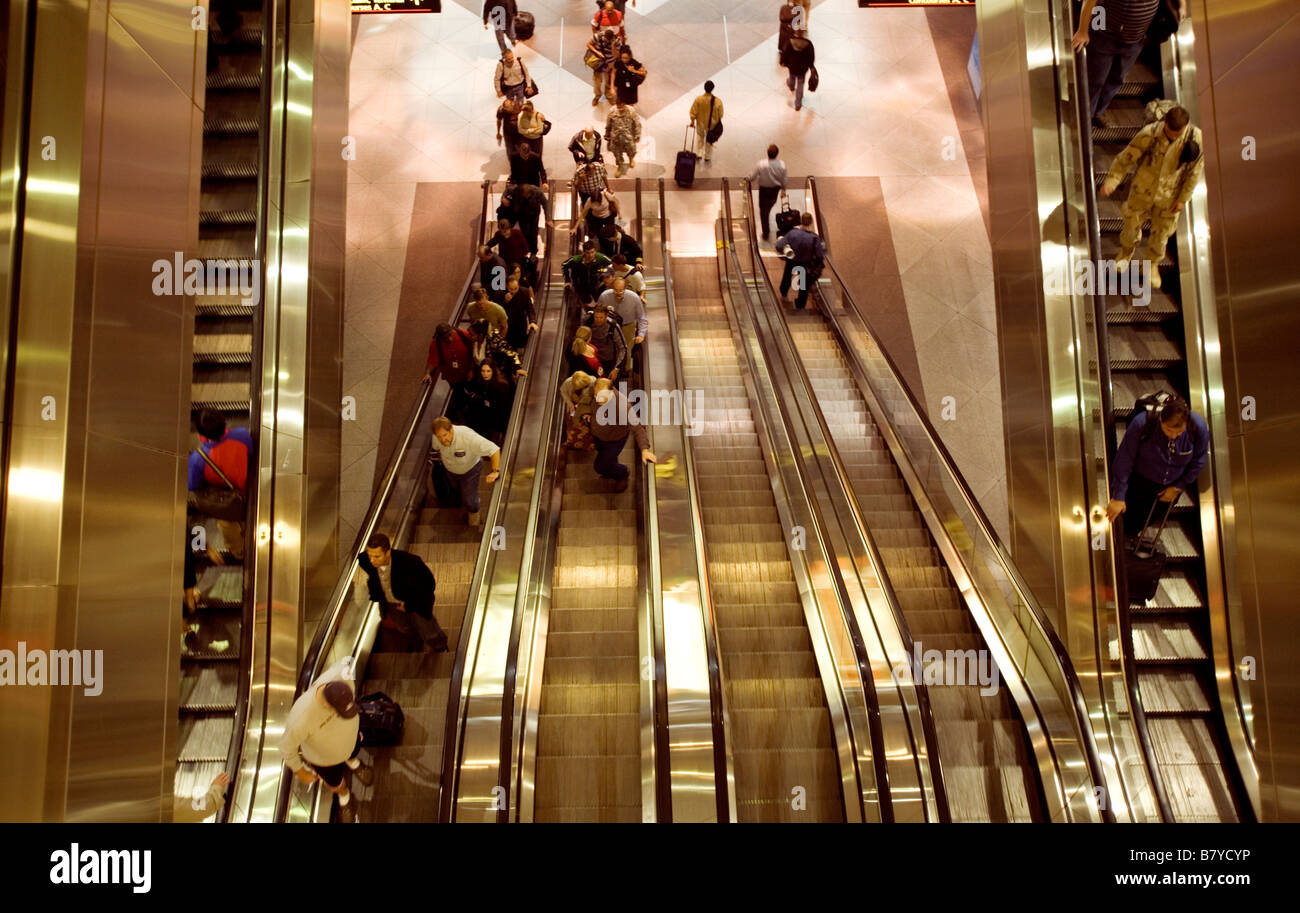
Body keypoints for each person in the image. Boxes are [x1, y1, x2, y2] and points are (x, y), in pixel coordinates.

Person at [1099, 104, 1203, 289]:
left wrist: (1183, 198)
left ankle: (1152, 264)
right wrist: (1112, 181)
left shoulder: (1195, 138)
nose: (1171, 137)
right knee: (1131, 225)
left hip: (1170, 196)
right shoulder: (1151, 133)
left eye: (1176, 134)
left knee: (1161, 235)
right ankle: (1125, 253)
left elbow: (1195, 171)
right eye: (1169, 132)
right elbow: (1126, 158)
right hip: (1143, 190)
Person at [1106, 395, 1209, 540]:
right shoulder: (1142, 423)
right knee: (1125, 520)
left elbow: (1199, 460)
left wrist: (1178, 487)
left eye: (1179, 432)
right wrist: (1118, 496)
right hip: (1140, 480)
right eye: (1168, 430)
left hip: (1171, 486)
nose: (1173, 436)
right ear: (1161, 419)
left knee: (1145, 520)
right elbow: (1124, 458)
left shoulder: (1198, 427)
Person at [1074, 0, 1186, 125]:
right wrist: (1082, 31)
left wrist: (1182, 6)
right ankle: (1085, 117)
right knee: (1095, 80)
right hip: (1103, 34)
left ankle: (1098, 112)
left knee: (1117, 79)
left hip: (1135, 40)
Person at [279, 660, 368, 812]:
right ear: (327, 705)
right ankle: (344, 795)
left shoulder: (342, 674)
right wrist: (300, 771)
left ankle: (352, 761)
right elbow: (286, 748)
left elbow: (347, 661)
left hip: (351, 740)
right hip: (325, 760)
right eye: (340, 713)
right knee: (335, 782)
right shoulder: (301, 718)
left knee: (353, 751)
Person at [358, 532, 449, 654]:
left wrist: (408, 605)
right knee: (403, 627)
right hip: (391, 604)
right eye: (370, 556)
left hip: (416, 603)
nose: (372, 560)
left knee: (428, 629)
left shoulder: (411, 562)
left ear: (388, 553)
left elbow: (429, 585)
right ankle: (416, 642)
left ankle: (440, 647)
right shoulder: (365, 560)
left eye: (377, 557)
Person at [188, 409, 253, 563]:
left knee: (228, 527)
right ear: (224, 422)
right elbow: (250, 454)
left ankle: (238, 551)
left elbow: (193, 485)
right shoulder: (243, 435)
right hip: (247, 491)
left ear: (201, 435)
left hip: (225, 503)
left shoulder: (197, 459)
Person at [431, 416, 501, 525]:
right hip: (451, 471)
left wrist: (495, 471)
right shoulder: (436, 437)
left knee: (469, 500)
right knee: (458, 490)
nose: (442, 439)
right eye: (439, 437)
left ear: (451, 430)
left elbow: (494, 449)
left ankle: (474, 513)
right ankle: (468, 499)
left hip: (470, 470)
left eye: (445, 435)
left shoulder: (467, 437)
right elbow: (436, 448)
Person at [590, 378, 656, 492]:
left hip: (614, 440)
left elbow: (638, 428)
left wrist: (644, 449)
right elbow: (587, 397)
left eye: (600, 397)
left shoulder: (623, 407)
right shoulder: (596, 391)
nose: (597, 400)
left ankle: (623, 473)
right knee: (607, 460)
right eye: (596, 396)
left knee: (599, 466)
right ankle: (610, 468)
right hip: (598, 436)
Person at [424, 323, 477, 420]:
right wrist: (427, 373)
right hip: (453, 378)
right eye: (445, 338)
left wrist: (472, 369)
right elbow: (432, 360)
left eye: (450, 335)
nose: (449, 339)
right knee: (460, 396)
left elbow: (474, 350)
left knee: (474, 393)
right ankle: (464, 415)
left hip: (468, 373)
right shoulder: (436, 344)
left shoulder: (462, 334)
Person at [597, 275, 646, 377]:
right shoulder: (604, 296)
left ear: (625, 288)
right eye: (616, 290)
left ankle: (625, 372)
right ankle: (609, 371)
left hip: (628, 326)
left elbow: (641, 317)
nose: (618, 293)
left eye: (621, 290)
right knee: (609, 348)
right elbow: (598, 311)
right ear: (612, 288)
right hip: (609, 325)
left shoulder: (634, 298)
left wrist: (641, 334)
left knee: (626, 349)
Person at [776, 212, 826, 310]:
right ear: (811, 222)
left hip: (792, 260)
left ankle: (784, 293)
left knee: (787, 276)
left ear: (801, 221)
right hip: (804, 263)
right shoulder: (814, 238)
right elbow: (820, 255)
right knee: (803, 284)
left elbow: (779, 245)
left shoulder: (793, 233)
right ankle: (800, 304)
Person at [462, 361, 516, 444]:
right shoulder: (481, 382)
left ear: (493, 371)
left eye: (488, 371)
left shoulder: (501, 384)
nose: (485, 374)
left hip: (500, 415)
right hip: (488, 412)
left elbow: (504, 406)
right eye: (483, 371)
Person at [748, 144, 789, 241]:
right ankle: (767, 211)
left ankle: (766, 232)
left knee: (763, 211)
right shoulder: (782, 165)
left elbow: (752, 176)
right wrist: (783, 190)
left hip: (764, 190)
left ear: (767, 153)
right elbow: (784, 179)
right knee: (770, 204)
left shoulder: (761, 164)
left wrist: (747, 178)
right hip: (775, 190)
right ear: (777, 154)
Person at [584, 302, 628, 379]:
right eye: (596, 317)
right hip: (592, 359)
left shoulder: (613, 327)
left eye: (601, 318)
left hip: (609, 361)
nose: (598, 320)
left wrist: (616, 368)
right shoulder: (587, 322)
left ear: (606, 316)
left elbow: (623, 348)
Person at [563, 240, 612, 305]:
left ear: (595, 251)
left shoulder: (601, 258)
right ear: (583, 252)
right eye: (587, 253)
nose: (590, 255)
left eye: (592, 252)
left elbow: (611, 264)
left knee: (599, 301)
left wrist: (603, 273)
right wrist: (567, 280)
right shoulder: (576, 259)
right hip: (580, 285)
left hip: (596, 284)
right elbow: (565, 264)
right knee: (586, 301)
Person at [560, 370, 597, 450]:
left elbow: (594, 399)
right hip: (574, 407)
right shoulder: (568, 382)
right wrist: (571, 405)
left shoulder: (593, 381)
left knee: (586, 426)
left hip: (586, 408)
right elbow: (563, 392)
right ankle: (572, 441)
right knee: (571, 422)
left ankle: (588, 443)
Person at [605, 100, 641, 177]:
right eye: (617, 105)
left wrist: (637, 135)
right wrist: (607, 134)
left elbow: (637, 123)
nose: (619, 107)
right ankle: (620, 166)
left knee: (631, 150)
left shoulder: (631, 111)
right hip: (616, 137)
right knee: (617, 153)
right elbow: (608, 123)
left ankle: (631, 158)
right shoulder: (612, 111)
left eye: (621, 105)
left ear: (624, 103)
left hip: (628, 136)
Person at [689, 81, 723, 163]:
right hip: (712, 125)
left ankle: (699, 154)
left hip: (700, 123)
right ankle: (707, 156)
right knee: (709, 140)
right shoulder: (718, 101)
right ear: (713, 89)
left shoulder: (698, 99)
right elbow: (721, 114)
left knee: (700, 137)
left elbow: (693, 112)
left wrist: (692, 121)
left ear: (704, 88)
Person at [510, 182, 547, 256]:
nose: (525, 197)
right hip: (522, 215)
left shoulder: (537, 192)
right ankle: (525, 250)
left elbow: (545, 204)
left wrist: (548, 219)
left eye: (527, 196)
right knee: (524, 232)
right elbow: (508, 191)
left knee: (534, 232)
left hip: (534, 215)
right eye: (524, 196)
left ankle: (533, 252)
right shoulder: (516, 190)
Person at [501, 275, 537, 350]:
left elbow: (530, 308)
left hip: (520, 325)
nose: (513, 291)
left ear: (518, 285)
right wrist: (505, 302)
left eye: (515, 289)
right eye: (511, 289)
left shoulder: (525, 292)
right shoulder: (501, 293)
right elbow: (498, 309)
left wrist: (532, 321)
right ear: (507, 287)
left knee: (522, 346)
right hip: (507, 326)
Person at [587, 28, 620, 106]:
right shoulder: (598, 36)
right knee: (597, 81)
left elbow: (616, 55)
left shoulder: (617, 41)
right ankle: (597, 96)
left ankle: (608, 95)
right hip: (599, 63)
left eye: (609, 39)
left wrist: (612, 46)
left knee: (609, 80)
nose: (607, 41)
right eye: (606, 39)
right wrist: (597, 52)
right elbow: (588, 44)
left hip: (610, 63)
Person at [784, 30, 815, 111]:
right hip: (802, 68)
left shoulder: (790, 42)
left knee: (792, 77)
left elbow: (785, 53)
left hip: (792, 66)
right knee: (800, 84)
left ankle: (791, 86)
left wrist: (785, 62)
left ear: (796, 33)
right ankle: (798, 104)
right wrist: (810, 66)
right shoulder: (808, 44)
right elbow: (811, 57)